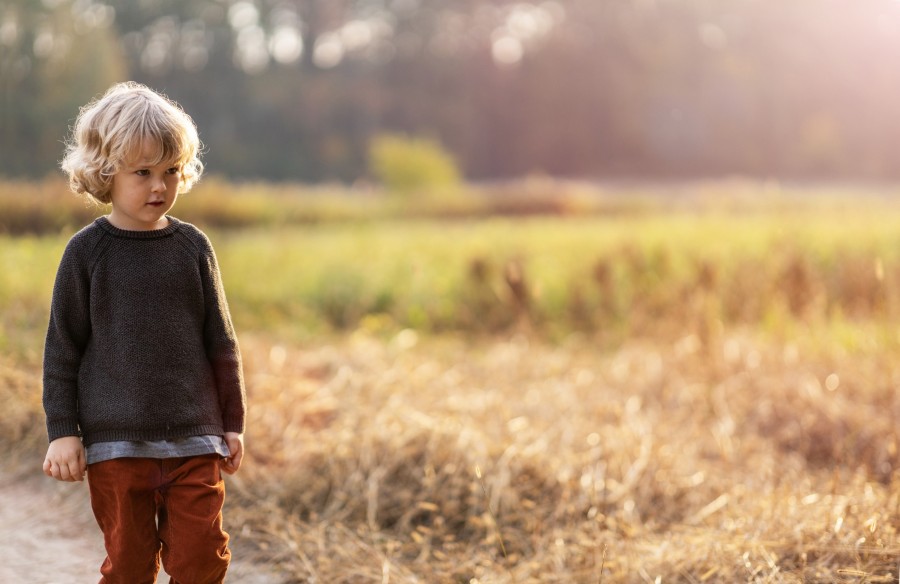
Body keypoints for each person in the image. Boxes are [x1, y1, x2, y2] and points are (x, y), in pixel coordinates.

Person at [42, 81, 247, 584]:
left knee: (202, 560)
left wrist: (233, 420)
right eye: (143, 173)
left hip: (195, 439)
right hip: (117, 448)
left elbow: (221, 342)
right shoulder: (86, 253)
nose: (160, 186)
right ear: (105, 174)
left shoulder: (192, 247)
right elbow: (62, 351)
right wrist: (63, 431)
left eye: (171, 171)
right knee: (130, 565)